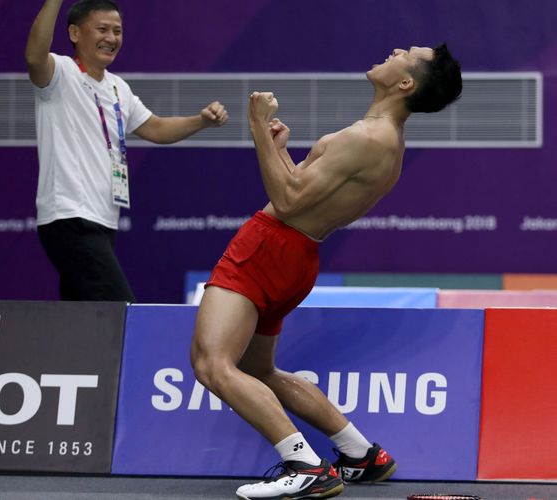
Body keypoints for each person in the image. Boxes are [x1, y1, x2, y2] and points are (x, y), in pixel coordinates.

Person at [191, 44, 462, 499]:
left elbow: (289, 203)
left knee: (211, 363)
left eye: (407, 53)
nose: (395, 50)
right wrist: (280, 153)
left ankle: (304, 464)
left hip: (267, 248)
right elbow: (304, 195)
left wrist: (257, 128)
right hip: (297, 256)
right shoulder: (387, 140)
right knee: (259, 369)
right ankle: (359, 454)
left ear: (406, 84)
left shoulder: (368, 136)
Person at [25, 0, 228, 302]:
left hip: (104, 220)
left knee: (84, 318)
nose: (111, 38)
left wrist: (201, 121)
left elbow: (156, 128)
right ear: (75, 33)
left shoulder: (118, 87)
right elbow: (34, 57)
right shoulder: (59, 74)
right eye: (102, 29)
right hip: (69, 216)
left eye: (117, 31)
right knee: (119, 309)